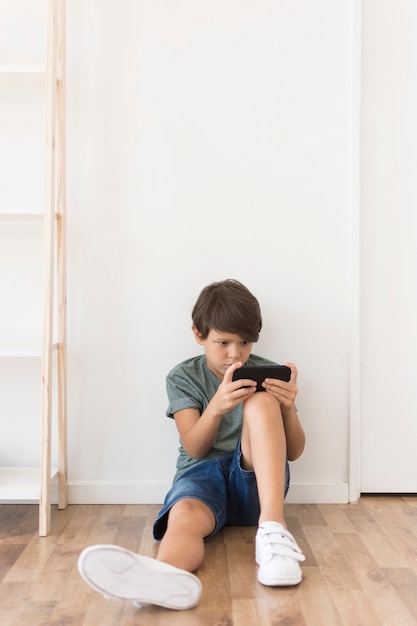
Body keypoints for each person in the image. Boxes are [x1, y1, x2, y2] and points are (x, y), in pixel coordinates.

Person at [78, 279, 306, 611]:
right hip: (201, 476)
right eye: (222, 342)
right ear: (198, 335)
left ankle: (273, 530)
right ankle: (163, 577)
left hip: (256, 485)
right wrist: (217, 406)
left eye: (244, 343)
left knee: (261, 403)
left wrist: (286, 407)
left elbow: (295, 452)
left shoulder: (265, 373)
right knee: (183, 516)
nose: (235, 354)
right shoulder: (183, 376)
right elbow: (196, 448)